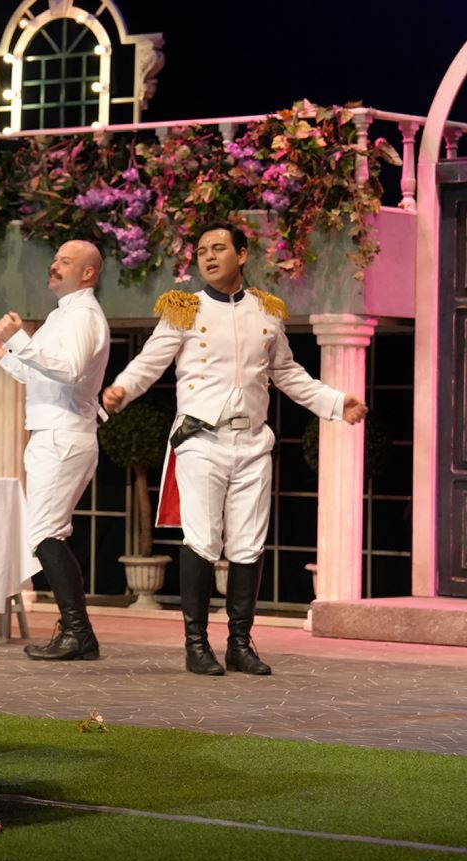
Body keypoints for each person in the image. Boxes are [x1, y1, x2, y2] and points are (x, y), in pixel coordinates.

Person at [100, 221, 368, 676]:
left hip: (253, 441)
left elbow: (288, 373)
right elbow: (150, 361)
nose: (208, 256)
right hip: (201, 439)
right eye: (202, 250)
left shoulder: (266, 311)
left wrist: (336, 403)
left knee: (248, 544)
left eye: (218, 248)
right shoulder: (184, 309)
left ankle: (239, 644)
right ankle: (196, 644)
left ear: (241, 255)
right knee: (203, 540)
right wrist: (122, 390)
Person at [0, 240, 111, 661]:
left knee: (45, 533)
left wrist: (20, 339)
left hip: (64, 435)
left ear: (88, 273)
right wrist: (6, 353)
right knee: (45, 532)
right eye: (55, 259)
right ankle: (78, 631)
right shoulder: (62, 315)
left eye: (65, 261)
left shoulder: (83, 316)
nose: (54, 265)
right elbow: (43, 374)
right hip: (50, 432)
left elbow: (70, 369)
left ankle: (79, 632)